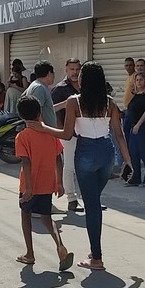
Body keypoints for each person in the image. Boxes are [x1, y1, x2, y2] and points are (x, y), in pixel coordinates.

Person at [25, 62, 131, 272]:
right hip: (106, 153)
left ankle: (97, 258)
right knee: (94, 200)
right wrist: (128, 162)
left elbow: (66, 134)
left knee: (92, 206)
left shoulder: (75, 102)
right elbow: (119, 135)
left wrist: (43, 128)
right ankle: (94, 252)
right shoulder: (109, 103)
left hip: (86, 154)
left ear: (83, 80)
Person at [13, 96, 73, 272]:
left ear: (22, 117)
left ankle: (30, 254)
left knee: (25, 217)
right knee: (47, 218)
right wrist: (60, 183)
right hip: (48, 184)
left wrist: (29, 189)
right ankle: (60, 246)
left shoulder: (22, 137)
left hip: (29, 186)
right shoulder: (50, 134)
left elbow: (26, 162)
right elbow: (58, 159)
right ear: (40, 114)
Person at [51, 58, 82, 212]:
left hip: (87, 133)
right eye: (72, 69)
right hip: (69, 133)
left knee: (86, 167)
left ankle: (90, 199)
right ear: (66, 70)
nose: (75, 72)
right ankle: (72, 199)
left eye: (77, 69)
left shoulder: (86, 86)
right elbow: (51, 110)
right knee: (69, 166)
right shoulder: (60, 89)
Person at [126, 71, 145, 187]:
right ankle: (135, 177)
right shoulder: (136, 94)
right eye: (137, 80)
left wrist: (138, 125)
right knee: (133, 152)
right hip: (134, 126)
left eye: (141, 80)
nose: (139, 82)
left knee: (144, 152)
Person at [23, 60, 57, 129]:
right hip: (44, 133)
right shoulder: (39, 88)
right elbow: (37, 112)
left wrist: (64, 104)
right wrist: (44, 130)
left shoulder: (37, 85)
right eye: (53, 73)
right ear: (49, 73)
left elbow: (47, 109)